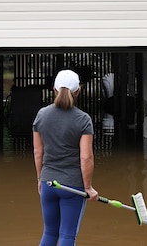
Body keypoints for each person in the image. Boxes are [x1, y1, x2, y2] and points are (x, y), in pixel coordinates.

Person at [33, 69, 98, 246]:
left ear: (54, 89)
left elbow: (38, 152)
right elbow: (86, 157)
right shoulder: (83, 119)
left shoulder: (41, 115)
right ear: (79, 91)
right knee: (68, 236)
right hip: (72, 187)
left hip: (48, 183)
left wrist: (40, 178)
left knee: (49, 233)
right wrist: (88, 187)